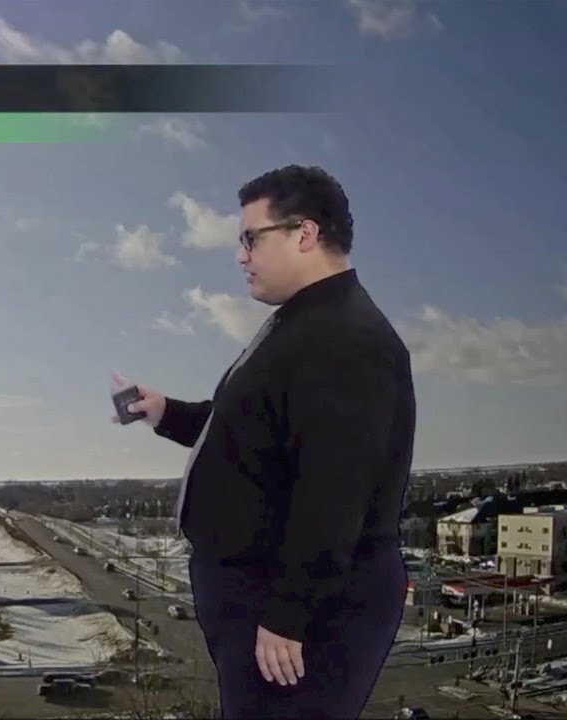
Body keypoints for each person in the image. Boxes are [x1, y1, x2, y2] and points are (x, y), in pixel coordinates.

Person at [113, 165, 416, 719]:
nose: (240, 255)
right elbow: (250, 432)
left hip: (303, 618)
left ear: (304, 233)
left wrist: (288, 614)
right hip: (264, 601)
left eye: (251, 238)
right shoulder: (306, 322)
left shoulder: (343, 339)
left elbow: (335, 493)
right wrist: (165, 412)